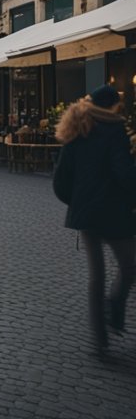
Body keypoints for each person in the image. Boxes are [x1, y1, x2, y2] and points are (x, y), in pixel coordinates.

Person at [53, 85, 136, 355]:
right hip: (113, 210)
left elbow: (61, 178)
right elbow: (124, 173)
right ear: (112, 106)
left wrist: (76, 202)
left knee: (96, 274)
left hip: (86, 212)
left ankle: (99, 339)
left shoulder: (76, 129)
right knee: (129, 265)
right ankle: (115, 307)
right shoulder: (114, 131)